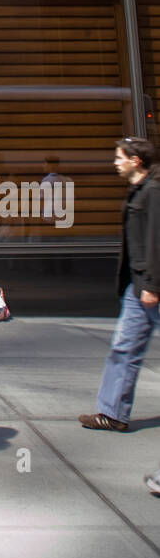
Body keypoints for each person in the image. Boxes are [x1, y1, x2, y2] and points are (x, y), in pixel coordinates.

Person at [79, 137, 160, 432]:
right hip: (136, 286)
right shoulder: (138, 191)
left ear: (135, 160)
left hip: (149, 286)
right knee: (123, 349)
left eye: (119, 157)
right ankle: (112, 414)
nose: (115, 162)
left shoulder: (153, 192)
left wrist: (152, 285)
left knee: (124, 348)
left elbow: (156, 241)